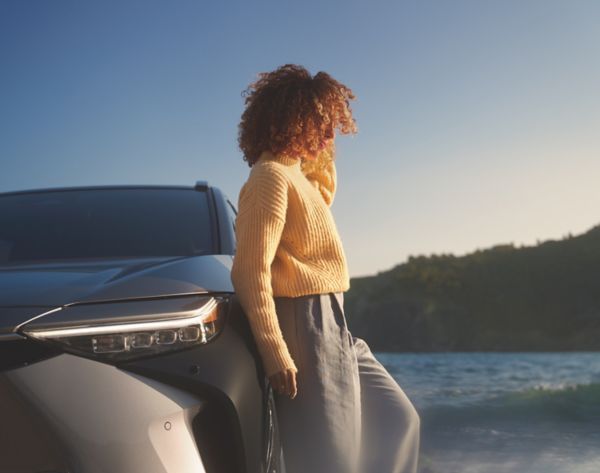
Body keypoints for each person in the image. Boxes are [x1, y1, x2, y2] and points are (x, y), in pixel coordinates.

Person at [230, 64, 420, 473]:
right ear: (292, 121)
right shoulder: (269, 178)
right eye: (321, 124)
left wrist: (317, 149)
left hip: (335, 323)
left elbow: (324, 189)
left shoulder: (297, 178)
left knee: (399, 421)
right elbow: (249, 271)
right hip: (303, 325)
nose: (330, 135)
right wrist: (275, 351)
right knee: (329, 462)